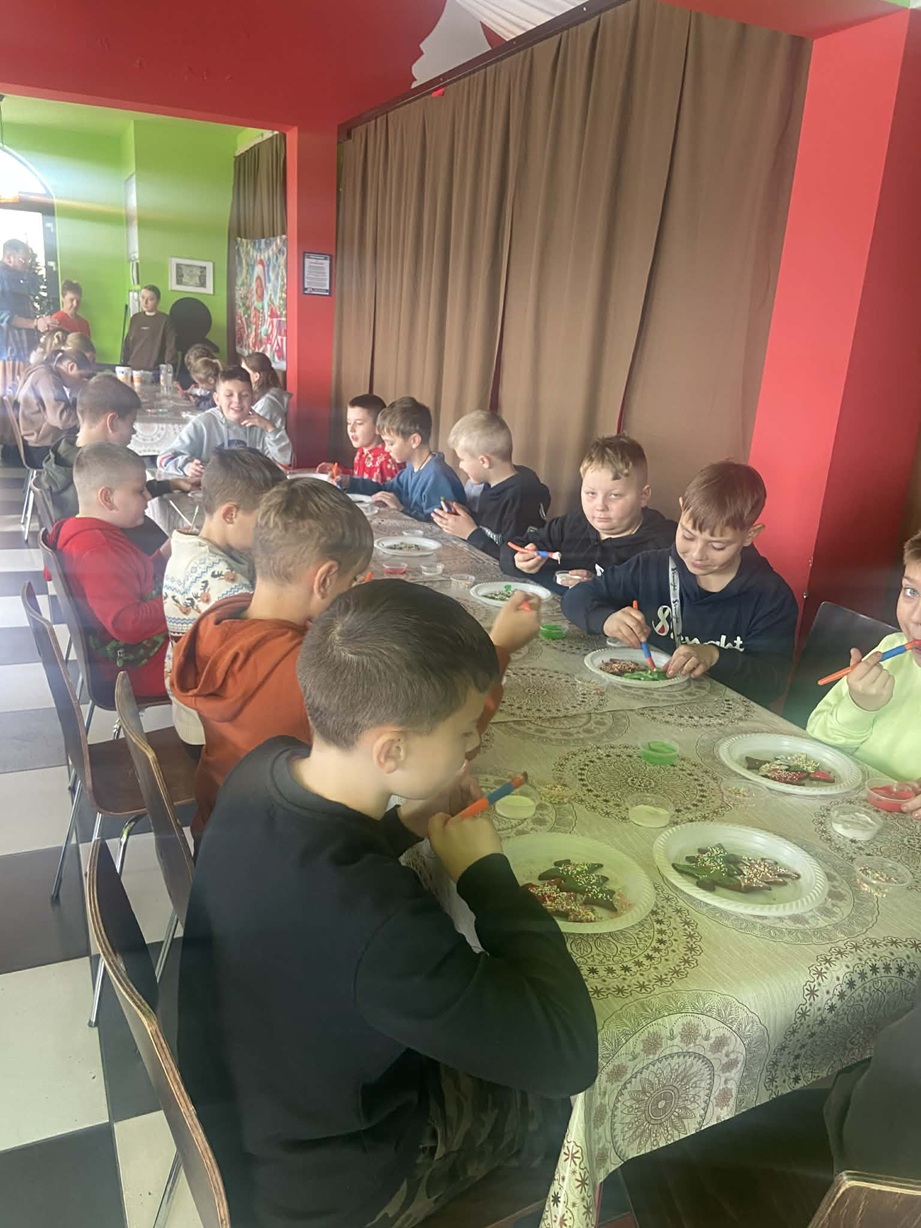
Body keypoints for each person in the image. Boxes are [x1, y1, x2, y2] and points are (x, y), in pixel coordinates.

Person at [177, 580, 598, 1228]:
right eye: (463, 731)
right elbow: (567, 1052)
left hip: (255, 1117)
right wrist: (486, 876)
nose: (471, 747)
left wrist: (406, 821)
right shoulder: (381, 923)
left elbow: (324, 852)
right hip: (331, 1188)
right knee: (558, 1111)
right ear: (391, 750)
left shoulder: (264, 767)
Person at [171, 479, 537, 836]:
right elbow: (429, 728)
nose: (353, 590)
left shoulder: (221, 619)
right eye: (351, 581)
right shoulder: (301, 666)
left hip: (221, 818)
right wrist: (500, 648)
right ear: (325, 579)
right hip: (284, 837)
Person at [562, 460, 799, 706]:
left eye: (717, 546)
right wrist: (606, 619)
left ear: (750, 535)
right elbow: (576, 597)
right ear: (682, 508)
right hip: (644, 702)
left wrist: (715, 656)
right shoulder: (650, 567)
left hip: (719, 714)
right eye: (687, 535)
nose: (697, 554)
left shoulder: (770, 596)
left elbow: (772, 682)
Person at [162, 446, 286, 747]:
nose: (272, 532)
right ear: (230, 514)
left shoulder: (200, 547)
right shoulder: (215, 578)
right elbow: (266, 645)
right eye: (265, 521)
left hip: (199, 709)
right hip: (211, 732)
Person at [807, 527, 921, 803]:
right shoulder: (890, 649)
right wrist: (858, 707)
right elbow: (816, 741)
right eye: (911, 591)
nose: (916, 617)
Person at [46, 443, 169, 699]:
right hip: (133, 667)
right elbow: (128, 625)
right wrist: (185, 601)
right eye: (139, 491)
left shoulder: (80, 530)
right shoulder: (97, 550)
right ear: (107, 498)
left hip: (129, 654)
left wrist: (164, 555)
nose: (148, 497)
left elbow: (132, 578)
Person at [499, 434, 675, 589]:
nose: (600, 506)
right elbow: (511, 548)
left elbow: (660, 601)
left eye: (614, 495)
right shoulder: (574, 523)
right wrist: (518, 560)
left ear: (643, 496)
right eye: (591, 493)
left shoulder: (662, 546)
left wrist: (599, 588)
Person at [38, 372, 194, 526]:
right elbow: (122, 498)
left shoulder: (66, 456)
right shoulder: (85, 475)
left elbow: (123, 492)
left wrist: (170, 484)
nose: (133, 432)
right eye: (131, 424)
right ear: (112, 422)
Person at [431, 411, 549, 560]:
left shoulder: (521, 497)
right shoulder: (489, 485)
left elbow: (512, 558)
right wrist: (466, 517)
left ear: (484, 461)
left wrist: (470, 533)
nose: (460, 465)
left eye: (462, 459)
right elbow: (492, 529)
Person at [157, 365, 293, 477]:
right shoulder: (204, 424)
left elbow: (284, 463)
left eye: (244, 395)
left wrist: (270, 428)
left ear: (252, 398)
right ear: (217, 399)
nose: (237, 401)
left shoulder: (260, 426)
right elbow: (164, 458)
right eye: (229, 395)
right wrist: (186, 466)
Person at [345, 397, 466, 520]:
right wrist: (349, 482)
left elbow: (440, 525)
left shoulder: (437, 476)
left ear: (414, 441)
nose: (386, 449)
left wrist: (401, 509)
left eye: (390, 443)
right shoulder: (410, 470)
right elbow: (384, 490)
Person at [16, 346, 93, 464]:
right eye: (81, 376)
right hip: (39, 448)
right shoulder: (47, 378)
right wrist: (86, 413)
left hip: (33, 442)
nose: (81, 381)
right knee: (88, 457)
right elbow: (62, 419)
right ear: (71, 367)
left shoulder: (43, 370)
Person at [0, 238, 54, 399]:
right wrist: (35, 323)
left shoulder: (16, 278)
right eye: (23, 260)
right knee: (11, 400)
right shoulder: (2, 278)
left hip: (21, 353)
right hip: (10, 355)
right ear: (9, 258)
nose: (27, 265)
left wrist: (39, 322)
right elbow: (4, 316)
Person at [318, 394, 402, 484]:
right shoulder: (361, 452)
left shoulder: (387, 461)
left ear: (378, 427)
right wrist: (340, 472)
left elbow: (394, 490)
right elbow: (359, 478)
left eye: (359, 423)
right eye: (349, 423)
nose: (351, 429)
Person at [121, 284, 178, 370]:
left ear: (157, 301)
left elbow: (170, 347)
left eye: (150, 299)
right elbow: (128, 344)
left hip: (154, 369)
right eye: (143, 298)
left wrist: (168, 369)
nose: (145, 302)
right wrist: (124, 365)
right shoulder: (135, 318)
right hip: (132, 367)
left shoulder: (165, 320)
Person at [242, 351, 291, 429]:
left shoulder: (266, 402)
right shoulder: (266, 394)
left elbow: (255, 431)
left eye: (244, 372)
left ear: (256, 376)